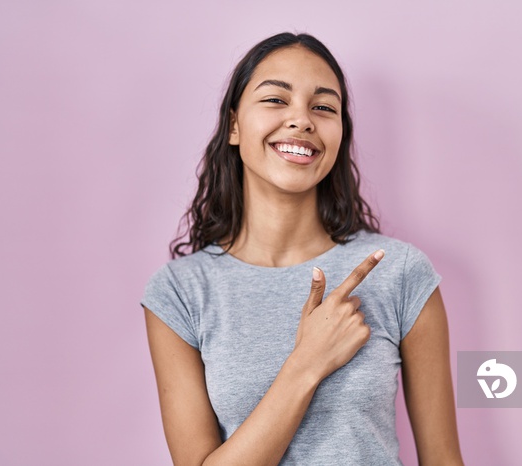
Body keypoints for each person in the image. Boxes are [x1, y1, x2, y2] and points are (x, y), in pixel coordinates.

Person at [141, 32, 463, 466]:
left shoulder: (400, 272)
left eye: (323, 107)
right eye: (276, 100)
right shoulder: (180, 292)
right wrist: (308, 362)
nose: (302, 120)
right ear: (234, 125)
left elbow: (443, 460)